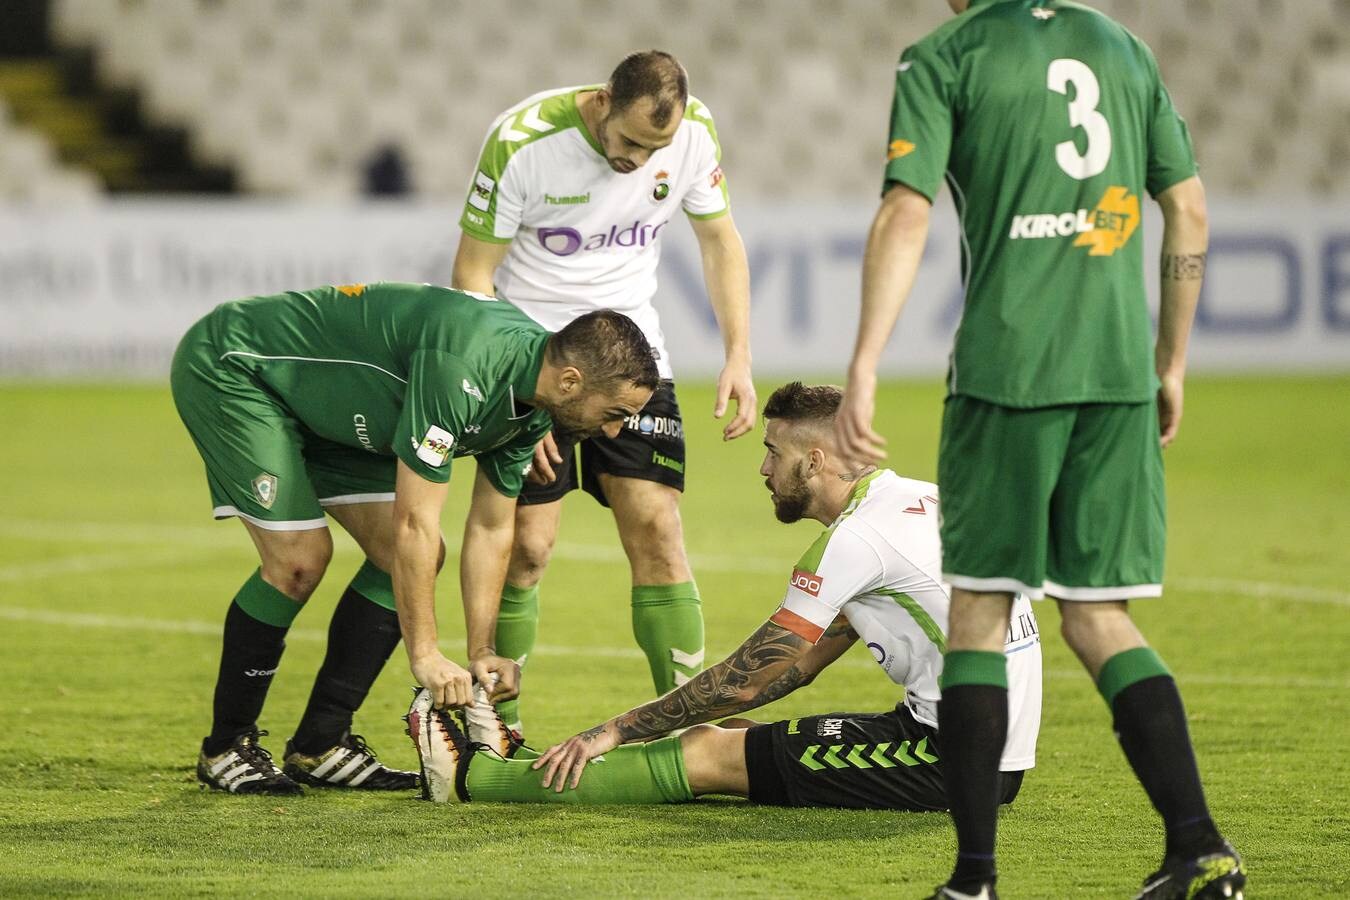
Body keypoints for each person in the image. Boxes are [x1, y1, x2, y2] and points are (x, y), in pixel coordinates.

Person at [831, 3, 1242, 898]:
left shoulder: (944, 57)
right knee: (1099, 615)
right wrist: (1170, 361)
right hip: (1118, 374)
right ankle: (1200, 849)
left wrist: (863, 361)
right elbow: (1191, 211)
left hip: (1007, 374)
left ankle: (974, 880)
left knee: (977, 610)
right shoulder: (1123, 47)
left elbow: (907, 210)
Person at [406, 382, 1041, 814]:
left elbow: (743, 681)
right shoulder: (917, 499)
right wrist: (743, 724)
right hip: (976, 739)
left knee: (704, 751)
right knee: (733, 734)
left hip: (954, 758)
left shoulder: (857, 540)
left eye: (773, 453)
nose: (764, 470)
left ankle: (472, 778)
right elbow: (796, 667)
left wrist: (615, 730)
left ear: (815, 460)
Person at [170, 282, 658, 795]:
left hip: (332, 409)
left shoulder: (534, 407)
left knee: (400, 559)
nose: (614, 433)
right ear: (571, 381)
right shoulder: (464, 367)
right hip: (240, 369)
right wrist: (424, 654)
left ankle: (320, 743)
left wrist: (482, 648)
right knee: (299, 559)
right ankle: (225, 747)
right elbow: (414, 522)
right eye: (614, 414)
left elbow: (491, 527)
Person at [451, 49, 756, 739]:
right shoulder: (523, 140)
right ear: (603, 101)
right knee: (529, 546)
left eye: (657, 149)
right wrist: (509, 401)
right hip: (535, 368)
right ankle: (498, 723)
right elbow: (472, 273)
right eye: (628, 144)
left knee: (658, 527)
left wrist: (738, 353)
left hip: (633, 366)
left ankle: (689, 727)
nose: (640, 162)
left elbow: (719, 241)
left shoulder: (694, 133)